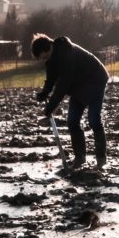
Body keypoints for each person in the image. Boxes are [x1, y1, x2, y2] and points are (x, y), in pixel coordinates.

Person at [32, 33, 110, 169]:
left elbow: (63, 84)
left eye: (44, 56)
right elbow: (51, 79)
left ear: (49, 47)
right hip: (79, 86)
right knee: (72, 121)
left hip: (96, 80)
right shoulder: (51, 59)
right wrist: (44, 93)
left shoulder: (67, 53)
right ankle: (80, 159)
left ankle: (101, 159)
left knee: (94, 120)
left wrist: (51, 106)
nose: (44, 60)